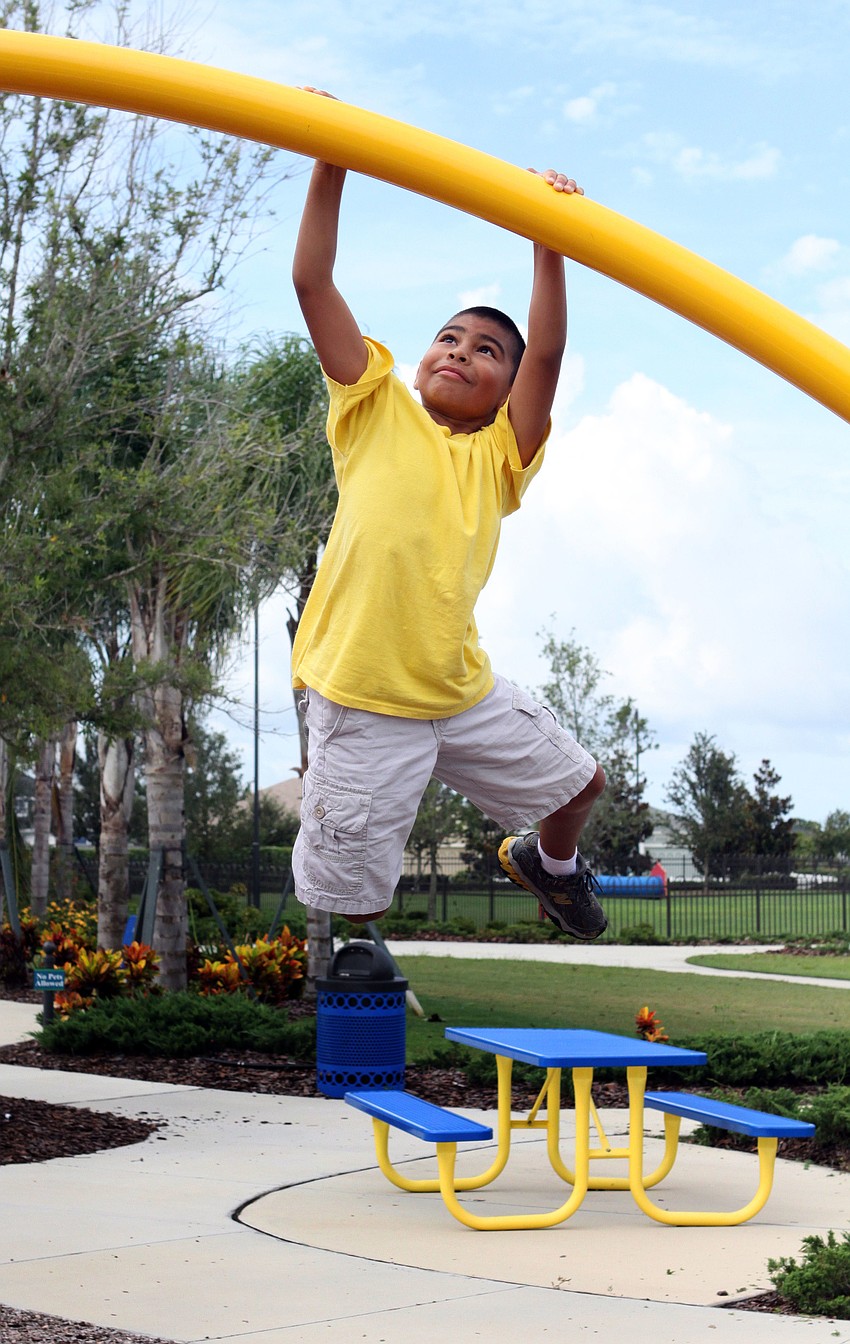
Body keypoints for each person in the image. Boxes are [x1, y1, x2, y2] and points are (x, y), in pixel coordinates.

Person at [289, 91, 607, 939]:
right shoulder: (373, 407)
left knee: (581, 788)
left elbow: (549, 348)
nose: (462, 351)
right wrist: (332, 157)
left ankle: (551, 867)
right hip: (365, 696)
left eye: (486, 351)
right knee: (357, 903)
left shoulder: (500, 456)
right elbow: (312, 282)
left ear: (507, 392)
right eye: (451, 337)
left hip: (458, 689)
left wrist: (552, 237)